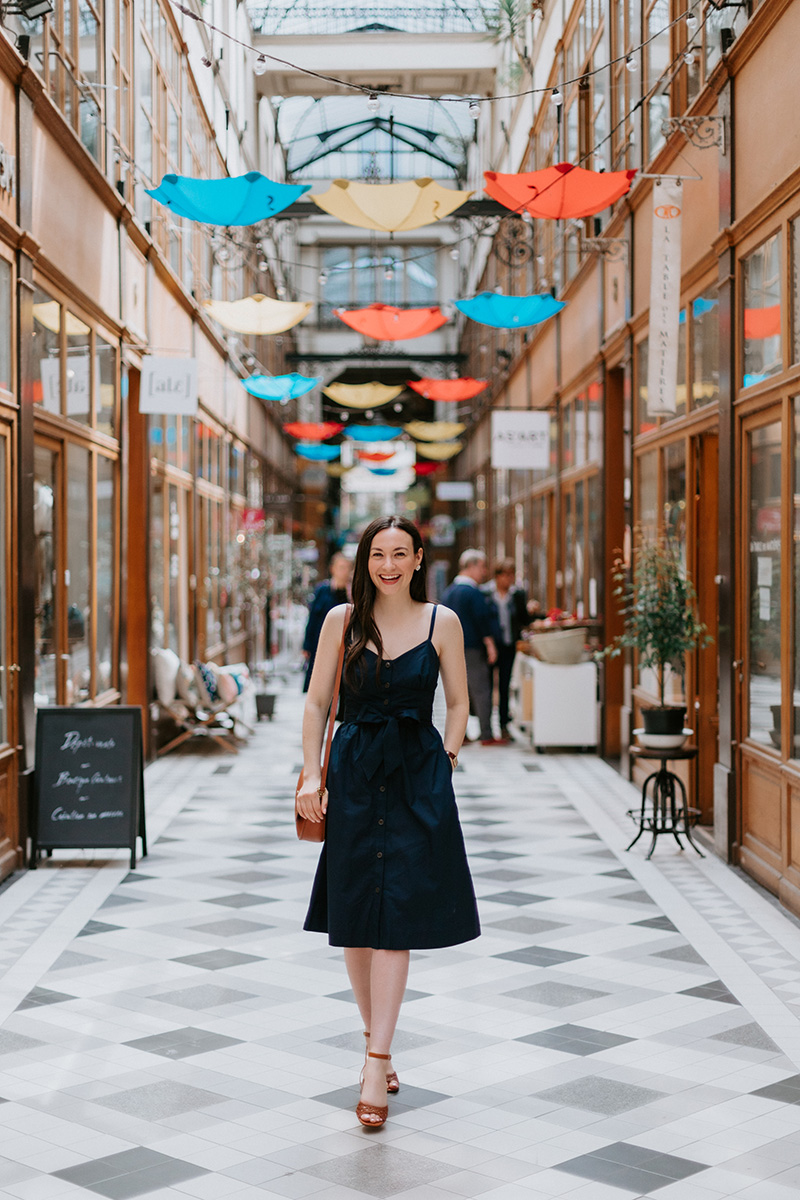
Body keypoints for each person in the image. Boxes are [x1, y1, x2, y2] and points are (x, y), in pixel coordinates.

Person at [297, 515, 480, 1129]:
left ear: (420, 558)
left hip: (415, 776)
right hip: (351, 772)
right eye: (378, 553)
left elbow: (458, 701)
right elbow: (318, 700)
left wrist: (446, 759)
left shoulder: (443, 622)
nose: (389, 564)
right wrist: (309, 774)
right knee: (353, 920)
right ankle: (376, 1035)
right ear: (363, 560)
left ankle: (376, 1060)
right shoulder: (340, 621)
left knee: (394, 916)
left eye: (401, 553)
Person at [441, 549, 501, 745]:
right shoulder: (473, 592)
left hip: (452, 649)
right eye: (482, 567)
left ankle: (461, 734)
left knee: (458, 691)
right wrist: (491, 646)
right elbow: (482, 621)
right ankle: (486, 734)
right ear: (472, 566)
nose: (484, 572)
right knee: (481, 690)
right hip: (473, 648)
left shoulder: (449, 592)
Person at [485, 559, 530, 739]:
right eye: (507, 575)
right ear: (498, 576)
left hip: (508, 645)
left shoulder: (517, 595)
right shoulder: (486, 594)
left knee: (504, 685)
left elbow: (523, 618)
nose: (510, 579)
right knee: (487, 686)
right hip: (489, 647)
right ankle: (486, 726)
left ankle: (503, 724)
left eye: (512, 575)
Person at [301, 552, 352, 692]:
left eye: (347, 567)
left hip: (345, 647)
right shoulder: (322, 590)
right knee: (320, 686)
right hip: (321, 643)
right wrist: (306, 645)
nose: (344, 571)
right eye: (341, 567)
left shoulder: (352, 593)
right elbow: (312, 618)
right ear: (333, 569)